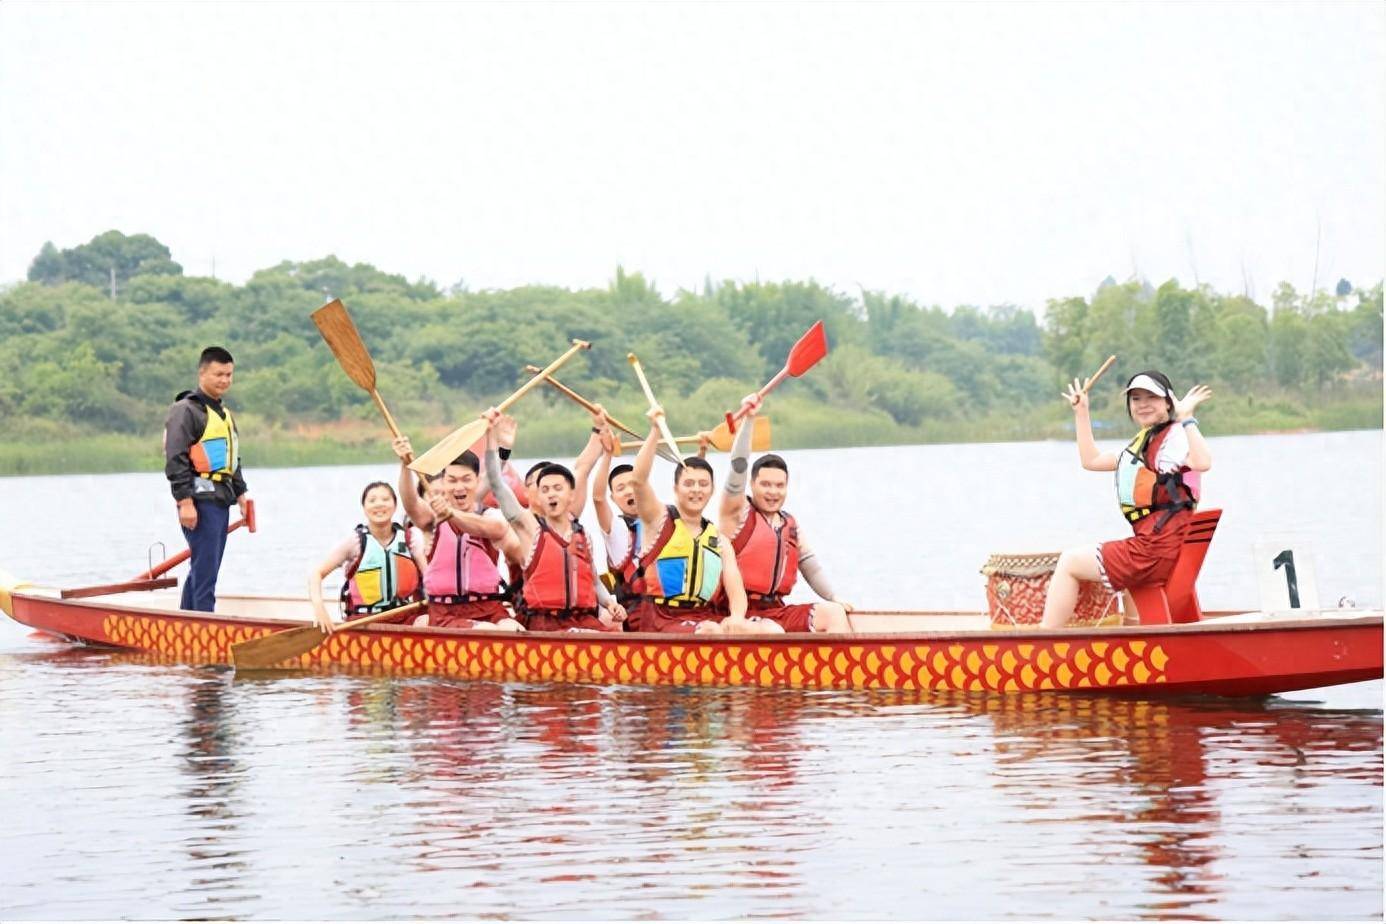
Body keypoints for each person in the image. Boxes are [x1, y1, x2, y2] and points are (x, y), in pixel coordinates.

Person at [1040, 370, 1212, 628]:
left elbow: (1202, 462)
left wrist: (1187, 418)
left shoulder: (1174, 439)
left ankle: (1043, 641)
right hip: (1160, 547)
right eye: (1136, 399)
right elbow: (1092, 460)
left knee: (1069, 562)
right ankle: (1135, 643)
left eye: (1151, 397)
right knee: (1128, 579)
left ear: (1168, 402)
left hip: (1154, 551)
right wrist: (1082, 412)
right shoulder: (1146, 442)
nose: (1143, 404)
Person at [716, 395, 854, 634]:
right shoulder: (736, 512)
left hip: (776, 610)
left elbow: (810, 566)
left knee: (833, 612)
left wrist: (835, 597)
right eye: (766, 485)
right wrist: (749, 419)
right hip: (736, 612)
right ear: (752, 484)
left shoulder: (790, 524)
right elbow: (738, 464)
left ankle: (842, 668)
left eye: (779, 486)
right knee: (773, 632)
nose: (773, 492)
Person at [480, 411, 626, 632]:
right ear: (535, 495)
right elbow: (496, 482)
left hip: (583, 620)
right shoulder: (527, 526)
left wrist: (610, 603)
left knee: (613, 626)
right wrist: (495, 441)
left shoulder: (581, 533)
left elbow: (594, 581)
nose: (550, 494)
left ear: (570, 495)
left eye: (557, 489)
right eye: (544, 489)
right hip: (544, 622)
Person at [626, 406, 749, 634]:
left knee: (762, 630)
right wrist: (655, 431)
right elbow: (638, 481)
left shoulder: (719, 541)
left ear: (712, 490)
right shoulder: (659, 522)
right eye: (689, 484)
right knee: (711, 630)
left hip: (704, 616)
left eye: (703, 485)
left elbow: (736, 590)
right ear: (675, 488)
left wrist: (738, 617)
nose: (696, 490)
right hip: (662, 619)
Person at [163, 346, 250, 612]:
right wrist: (185, 502)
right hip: (200, 500)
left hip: (221, 497)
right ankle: (204, 622)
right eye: (218, 374)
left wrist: (242, 496)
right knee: (206, 569)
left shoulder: (223, 414)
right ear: (202, 373)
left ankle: (187, 619)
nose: (224, 380)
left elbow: (231, 460)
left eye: (229, 374)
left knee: (204, 565)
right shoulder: (186, 410)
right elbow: (175, 458)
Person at [308, 482, 427, 633]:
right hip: (364, 621)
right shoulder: (354, 542)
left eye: (385, 499)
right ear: (364, 508)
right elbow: (316, 574)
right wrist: (320, 609)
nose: (379, 504)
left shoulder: (411, 539)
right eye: (372, 500)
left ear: (395, 506)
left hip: (404, 617)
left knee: (427, 621)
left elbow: (430, 578)